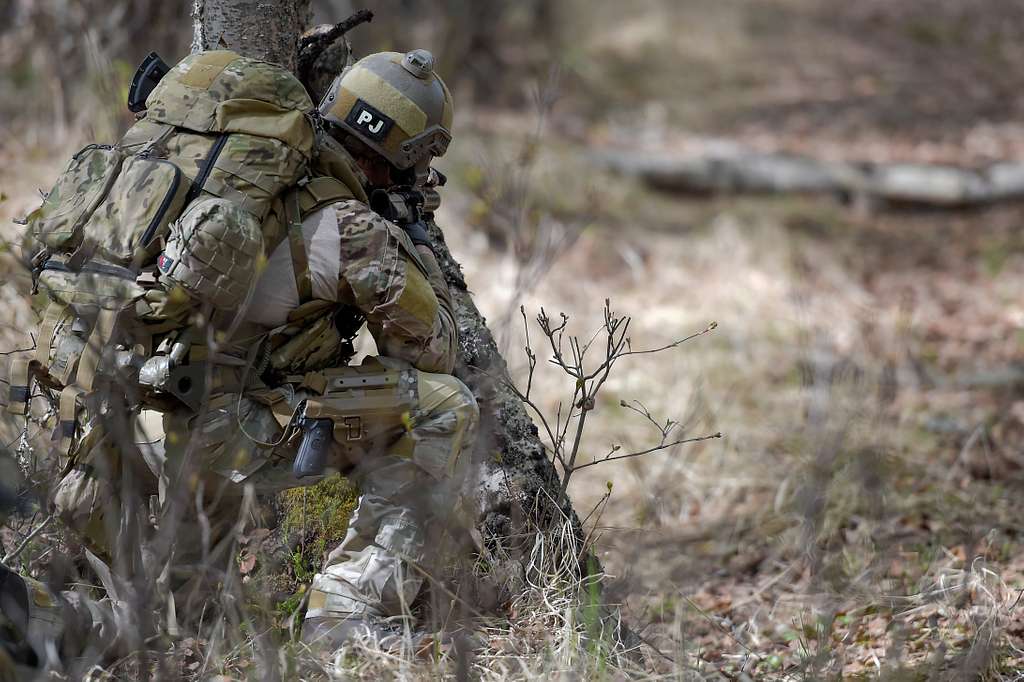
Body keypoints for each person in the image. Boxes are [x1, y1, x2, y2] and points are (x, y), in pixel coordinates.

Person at [0, 47, 477, 670]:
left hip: (113, 422)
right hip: (225, 437)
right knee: (446, 409)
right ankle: (346, 617)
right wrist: (414, 244)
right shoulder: (351, 226)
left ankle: (54, 617)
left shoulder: (222, 176)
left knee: (158, 627)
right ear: (405, 156)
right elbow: (434, 351)